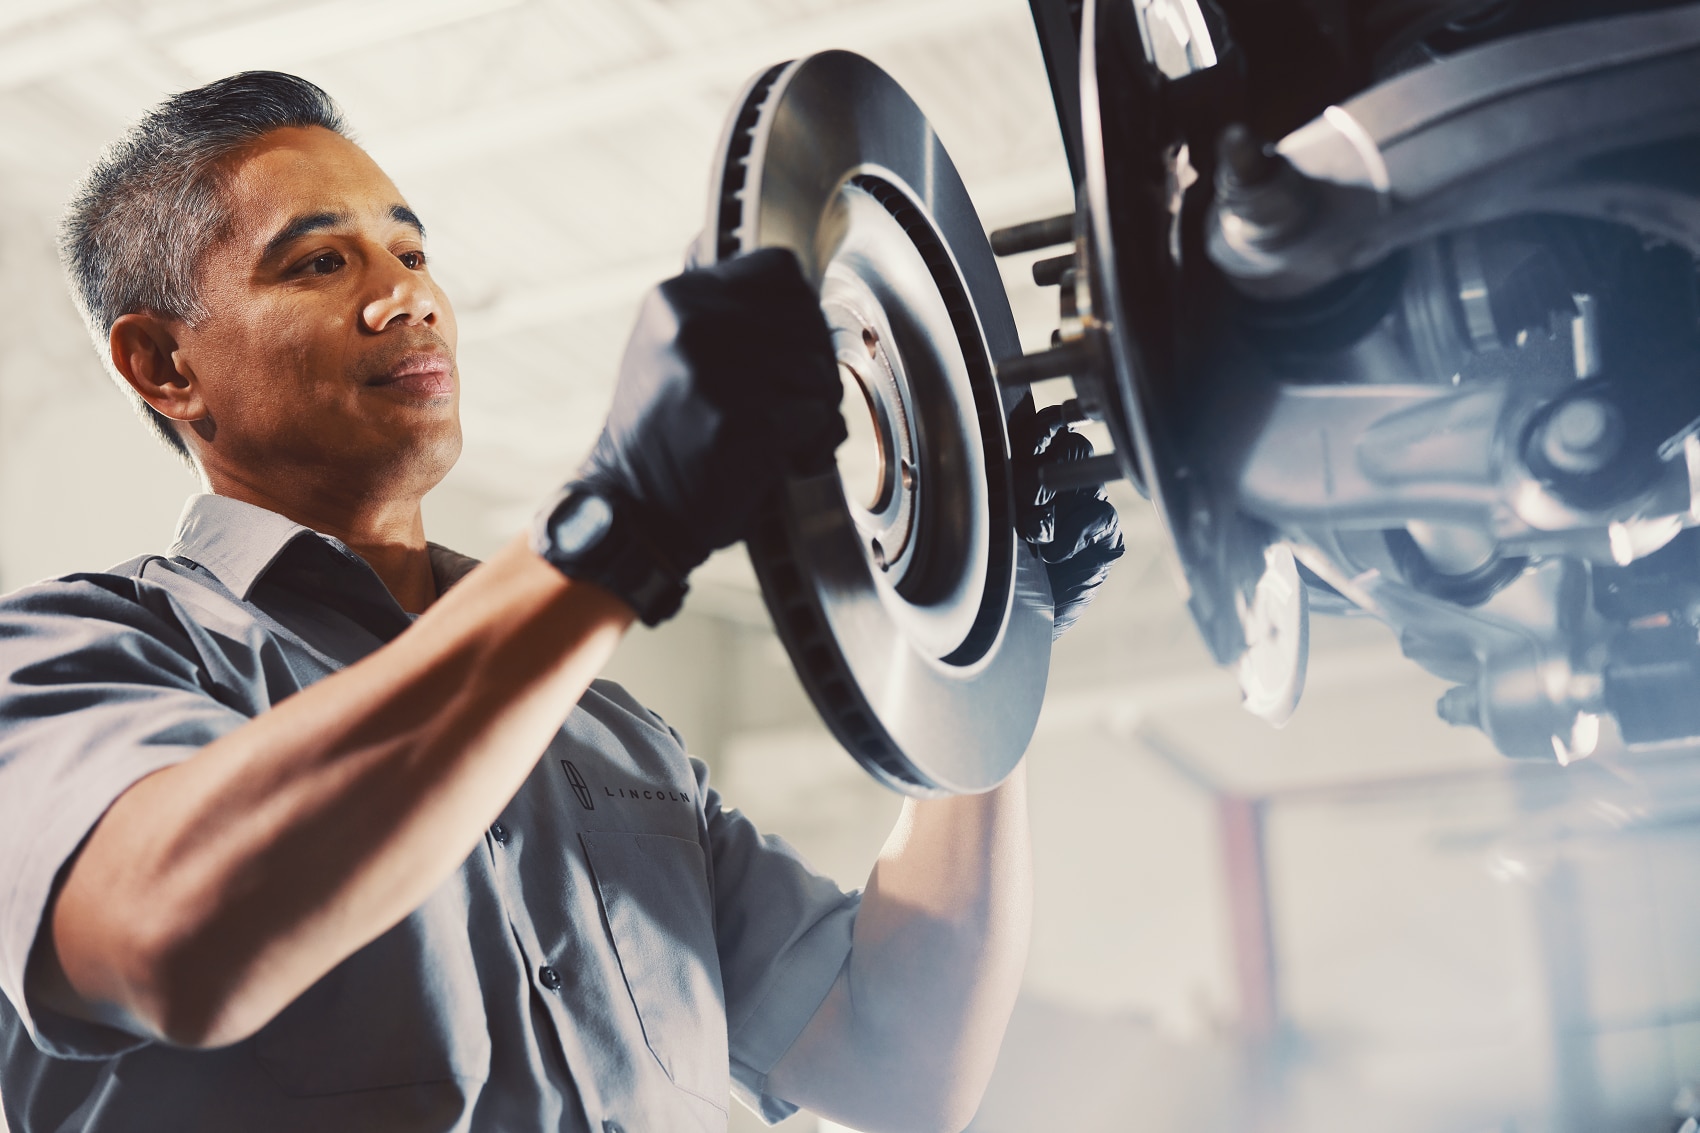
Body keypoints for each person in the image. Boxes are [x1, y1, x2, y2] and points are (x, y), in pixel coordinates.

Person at [0, 72, 1123, 1133]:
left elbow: (901, 1057)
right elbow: (172, 941)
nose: (406, 295)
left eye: (411, 251)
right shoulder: (75, 660)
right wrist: (621, 519)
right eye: (320, 263)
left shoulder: (606, 734)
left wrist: (992, 637)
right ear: (163, 364)